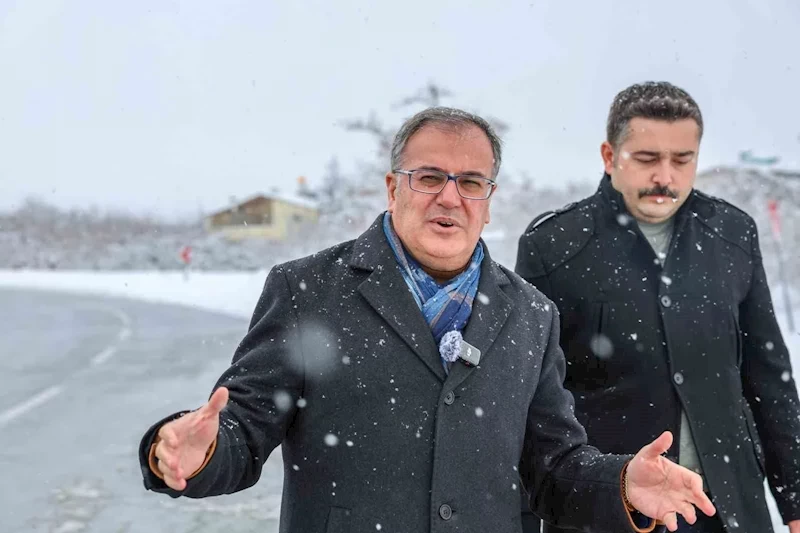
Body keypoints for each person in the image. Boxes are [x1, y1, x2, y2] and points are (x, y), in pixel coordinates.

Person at [139, 106, 715, 533]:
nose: (450, 198)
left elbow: (553, 469)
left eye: (471, 183)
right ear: (393, 188)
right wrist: (198, 453)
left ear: (488, 201)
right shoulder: (308, 292)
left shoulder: (531, 315)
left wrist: (620, 484)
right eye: (430, 177)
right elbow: (242, 431)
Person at [516, 82, 800, 533]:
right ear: (610, 156)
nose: (665, 176)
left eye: (682, 160)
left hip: (728, 509)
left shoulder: (732, 235)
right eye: (647, 158)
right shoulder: (553, 246)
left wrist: (795, 499)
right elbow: (530, 406)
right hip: (612, 512)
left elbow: (769, 377)